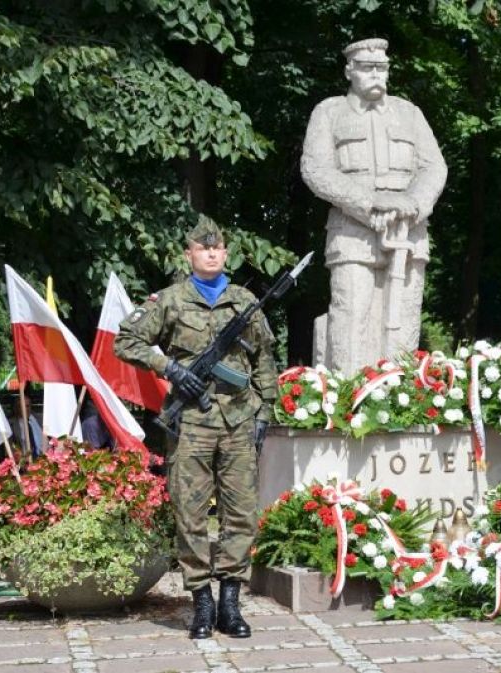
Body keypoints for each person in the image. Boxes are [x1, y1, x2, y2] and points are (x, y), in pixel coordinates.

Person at [113, 216, 277, 639]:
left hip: (239, 423)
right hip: (190, 423)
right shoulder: (169, 300)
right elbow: (126, 340)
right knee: (190, 514)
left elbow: (264, 360)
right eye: (202, 248)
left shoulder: (244, 302)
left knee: (241, 514)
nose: (210, 253)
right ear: (189, 254)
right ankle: (201, 602)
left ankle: (230, 603)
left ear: (225, 254)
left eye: (217, 248)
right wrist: (168, 367)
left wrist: (264, 413)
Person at [300, 37, 447, 375]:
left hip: (408, 233)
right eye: (367, 68)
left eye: (381, 68)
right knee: (351, 315)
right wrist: (369, 204)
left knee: (405, 319)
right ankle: (349, 403)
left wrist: (413, 203)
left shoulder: (410, 114)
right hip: (353, 235)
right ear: (350, 71)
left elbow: (434, 167)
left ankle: (400, 400)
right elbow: (316, 169)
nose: (376, 74)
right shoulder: (329, 112)